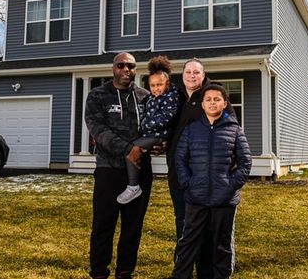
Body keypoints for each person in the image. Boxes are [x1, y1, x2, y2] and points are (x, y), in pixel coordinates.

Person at [169, 84, 252, 279]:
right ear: (203, 104)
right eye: (208, 99)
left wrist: (230, 186)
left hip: (224, 200)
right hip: (195, 197)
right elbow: (179, 159)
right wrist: (188, 183)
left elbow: (245, 162)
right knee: (188, 243)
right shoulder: (191, 129)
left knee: (221, 245)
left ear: (224, 103)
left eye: (217, 99)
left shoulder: (234, 130)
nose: (212, 102)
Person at [164, 58, 236, 279]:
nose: (192, 76)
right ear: (182, 74)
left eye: (196, 72)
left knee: (207, 232)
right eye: (188, 71)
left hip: (206, 180)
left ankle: (205, 272)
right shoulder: (175, 97)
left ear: (203, 75)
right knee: (183, 227)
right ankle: (183, 271)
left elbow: (231, 132)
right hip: (179, 176)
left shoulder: (212, 96)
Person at [84, 52, 150, 279]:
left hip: (141, 171)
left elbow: (153, 130)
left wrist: (158, 145)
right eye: (121, 65)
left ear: (135, 70)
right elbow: (97, 130)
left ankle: (125, 272)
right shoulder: (97, 96)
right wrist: (128, 149)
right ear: (113, 68)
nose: (126, 70)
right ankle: (99, 272)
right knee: (103, 225)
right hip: (108, 171)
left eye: (130, 66)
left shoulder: (145, 97)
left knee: (132, 227)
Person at [117, 55, 181, 204]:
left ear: (167, 83)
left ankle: (133, 186)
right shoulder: (150, 98)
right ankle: (132, 183)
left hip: (159, 135)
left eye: (159, 84)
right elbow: (143, 113)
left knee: (131, 151)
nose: (156, 88)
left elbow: (166, 118)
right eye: (152, 85)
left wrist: (145, 125)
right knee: (132, 152)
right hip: (150, 134)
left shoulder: (171, 97)